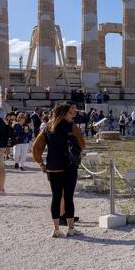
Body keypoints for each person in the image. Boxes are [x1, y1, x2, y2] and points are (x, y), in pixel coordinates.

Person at [32, 100, 86, 238]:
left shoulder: (48, 127)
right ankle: (70, 228)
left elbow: (36, 147)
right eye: (70, 111)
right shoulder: (72, 127)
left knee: (56, 198)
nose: (72, 113)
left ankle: (56, 229)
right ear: (64, 113)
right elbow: (82, 144)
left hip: (53, 167)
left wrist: (41, 163)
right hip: (69, 167)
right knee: (68, 198)